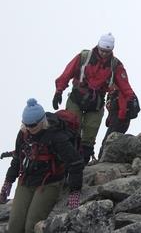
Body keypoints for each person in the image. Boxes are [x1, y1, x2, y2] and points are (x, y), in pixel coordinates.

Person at [53, 33, 139, 165]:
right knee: (71, 131)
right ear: (98, 46)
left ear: (111, 50)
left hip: (96, 104)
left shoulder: (115, 65)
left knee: (88, 138)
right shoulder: (83, 57)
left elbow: (124, 85)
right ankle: (66, 165)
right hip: (77, 99)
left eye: (107, 51)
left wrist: (131, 98)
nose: (104, 53)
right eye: (102, 50)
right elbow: (67, 74)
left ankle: (82, 167)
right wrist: (59, 91)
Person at [0, 99, 83, 233]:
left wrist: (75, 191)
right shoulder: (23, 134)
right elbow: (17, 159)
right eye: (26, 124)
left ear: (41, 121)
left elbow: (75, 163)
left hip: (49, 182)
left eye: (33, 125)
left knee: (31, 227)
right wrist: (8, 182)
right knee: (15, 226)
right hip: (26, 180)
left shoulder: (56, 136)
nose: (30, 128)